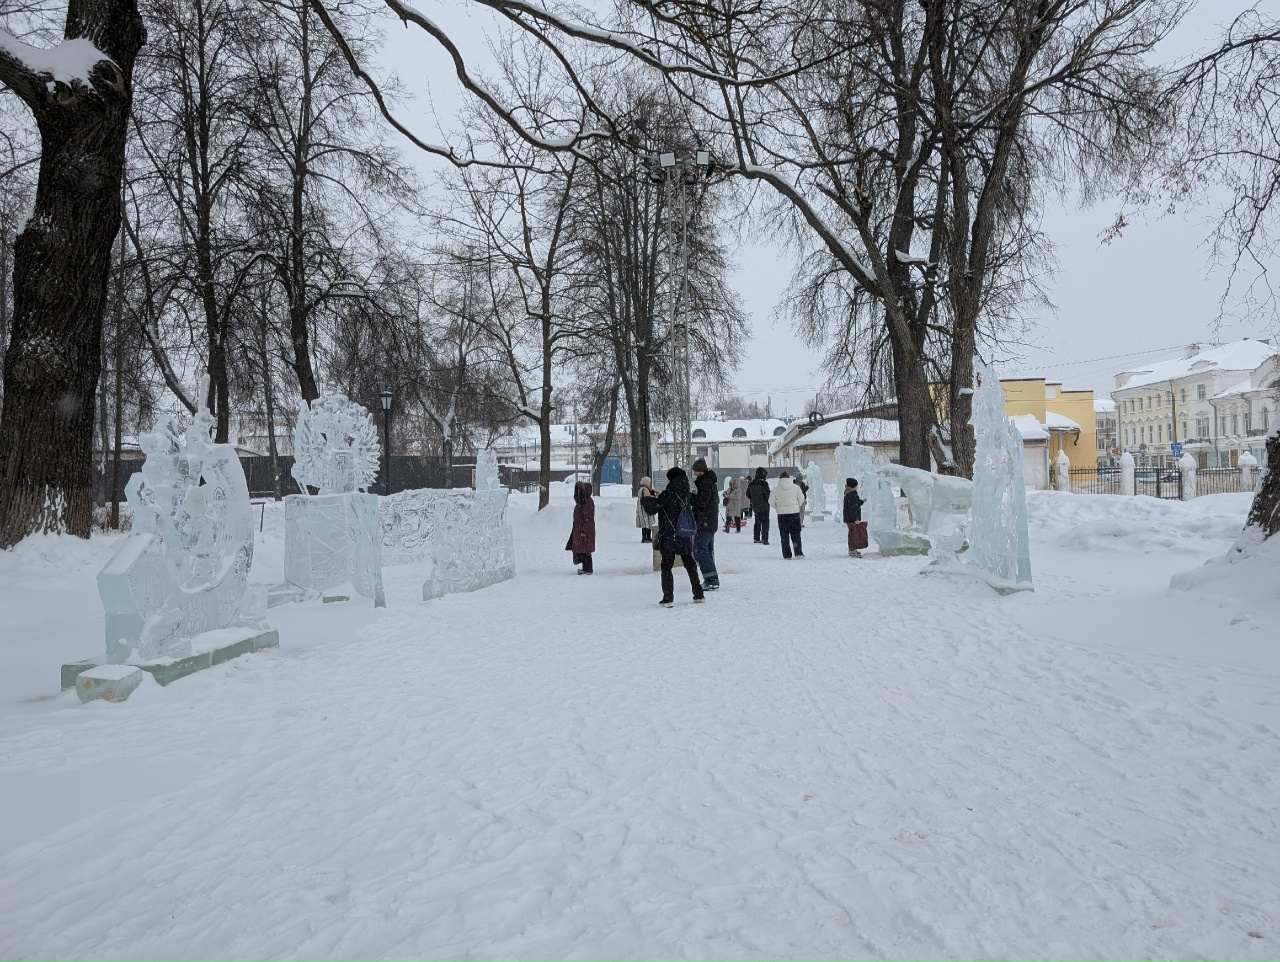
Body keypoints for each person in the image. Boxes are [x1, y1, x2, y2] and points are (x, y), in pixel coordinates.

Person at [640, 467, 706, 607]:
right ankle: (699, 594)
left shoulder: (668, 494)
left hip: (670, 534)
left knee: (666, 565)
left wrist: (646, 498)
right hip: (683, 532)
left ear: (671, 479)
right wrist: (661, 495)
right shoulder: (685, 493)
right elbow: (672, 504)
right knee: (689, 563)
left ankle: (668, 598)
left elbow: (652, 508)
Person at [690, 458, 720, 590]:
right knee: (706, 551)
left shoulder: (706, 483)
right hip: (708, 522)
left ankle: (711, 579)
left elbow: (701, 502)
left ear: (701, 470)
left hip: (705, 522)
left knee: (699, 551)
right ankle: (711, 578)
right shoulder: (707, 482)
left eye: (696, 471)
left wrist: (690, 497)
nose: (694, 473)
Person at [769, 470, 806, 559]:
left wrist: (778, 508)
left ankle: (787, 555)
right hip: (794, 514)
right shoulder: (796, 488)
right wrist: (796, 506)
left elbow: (770, 501)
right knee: (796, 534)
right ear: (789, 478)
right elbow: (802, 499)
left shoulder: (775, 489)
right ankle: (798, 553)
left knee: (784, 535)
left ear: (780, 478)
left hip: (782, 515)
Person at [567, 480, 596, 574]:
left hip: (585, 531)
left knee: (586, 550)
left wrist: (584, 531)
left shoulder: (587, 502)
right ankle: (585, 568)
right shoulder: (582, 501)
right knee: (584, 549)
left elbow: (589, 519)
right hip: (580, 529)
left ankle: (588, 569)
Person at [843, 477, 868, 558]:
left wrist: (861, 501)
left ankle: (853, 549)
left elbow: (855, 503)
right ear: (853, 486)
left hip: (848, 518)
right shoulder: (853, 495)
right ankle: (852, 550)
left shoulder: (848, 494)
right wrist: (856, 519)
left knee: (853, 533)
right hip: (852, 519)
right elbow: (853, 508)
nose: (857, 486)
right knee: (853, 534)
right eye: (856, 485)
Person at [747, 467, 771, 544]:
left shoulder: (751, 483)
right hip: (764, 506)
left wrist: (753, 498)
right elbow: (768, 495)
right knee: (765, 523)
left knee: (757, 522)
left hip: (755, 506)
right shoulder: (764, 484)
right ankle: (764, 538)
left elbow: (748, 494)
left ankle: (756, 538)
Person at [635, 476, 657, 543]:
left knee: (644, 525)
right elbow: (648, 499)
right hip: (646, 510)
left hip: (641, 510)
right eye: (649, 482)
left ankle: (644, 537)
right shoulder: (645, 490)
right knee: (648, 524)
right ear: (646, 483)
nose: (650, 484)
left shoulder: (641, 489)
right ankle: (648, 537)